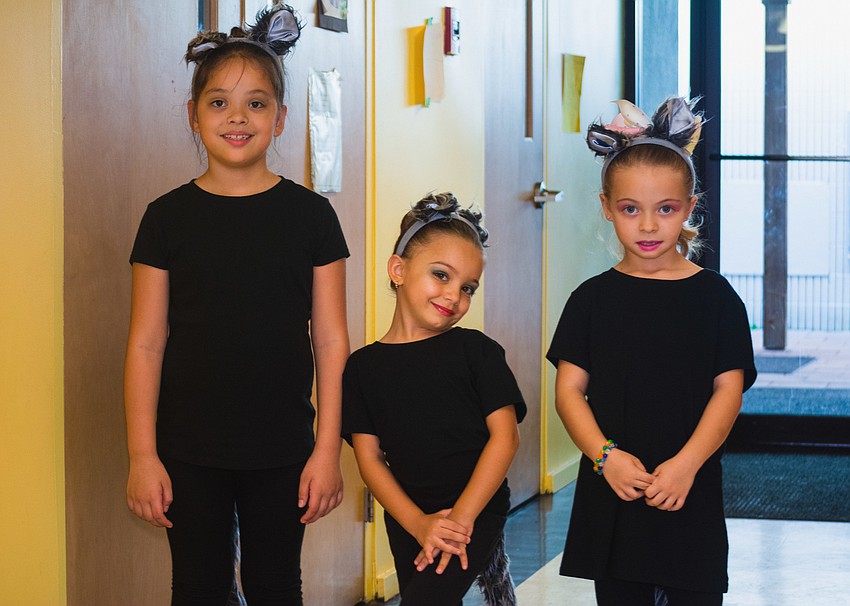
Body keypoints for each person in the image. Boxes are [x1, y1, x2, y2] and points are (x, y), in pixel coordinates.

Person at [123, 4, 350, 604]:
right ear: (192, 116)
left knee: (276, 585)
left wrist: (328, 449)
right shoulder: (165, 219)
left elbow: (331, 340)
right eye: (218, 102)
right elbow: (146, 343)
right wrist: (143, 455)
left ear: (280, 119)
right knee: (197, 587)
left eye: (257, 102)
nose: (237, 117)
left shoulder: (312, 217)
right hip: (187, 449)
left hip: (282, 447)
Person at [547, 98, 757, 606]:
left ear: (688, 208)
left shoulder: (716, 298)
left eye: (665, 209)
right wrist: (604, 458)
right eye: (630, 209)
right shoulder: (590, 300)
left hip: (691, 490)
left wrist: (687, 464)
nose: (647, 226)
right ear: (606, 207)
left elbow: (728, 392)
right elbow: (569, 393)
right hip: (615, 490)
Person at [342, 194, 526, 606]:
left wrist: (459, 521)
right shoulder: (362, 368)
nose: (454, 296)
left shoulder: (477, 352)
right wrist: (418, 523)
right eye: (441, 275)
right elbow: (369, 458)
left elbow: (505, 439)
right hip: (408, 514)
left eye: (468, 288)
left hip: (475, 510)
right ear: (398, 269)